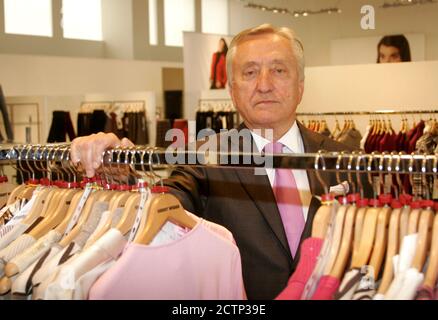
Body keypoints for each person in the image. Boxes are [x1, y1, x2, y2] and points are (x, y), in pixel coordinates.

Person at [71, 24, 364, 300]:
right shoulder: (204, 159)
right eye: (250, 72)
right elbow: (164, 207)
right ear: (232, 91)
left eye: (278, 70)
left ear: (300, 85)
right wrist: (122, 171)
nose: (264, 85)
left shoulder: (345, 160)